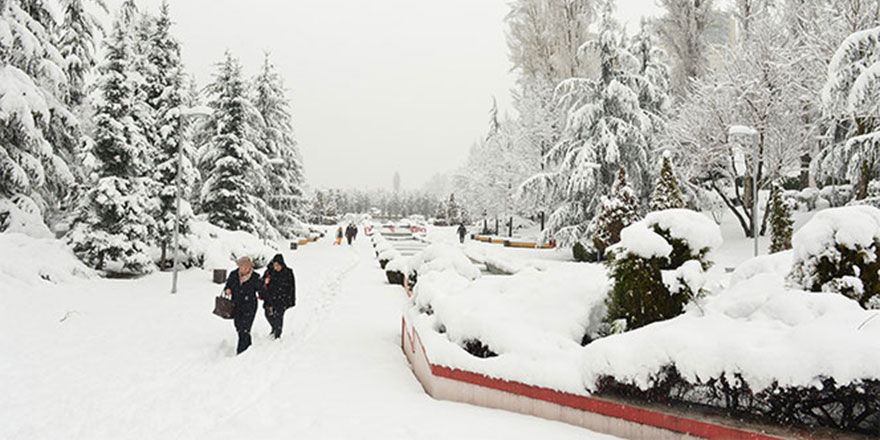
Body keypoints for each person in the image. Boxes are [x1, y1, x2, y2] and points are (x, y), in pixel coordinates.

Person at [224, 256, 262, 355]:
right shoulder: (233, 275)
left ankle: (241, 351)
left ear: (250, 267)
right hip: (236, 305)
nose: (243, 270)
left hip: (250, 306)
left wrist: (264, 296)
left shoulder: (255, 277)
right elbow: (228, 285)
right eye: (241, 267)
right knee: (238, 326)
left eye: (246, 268)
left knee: (245, 328)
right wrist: (228, 289)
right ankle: (248, 345)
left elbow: (261, 290)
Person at [261, 253, 296, 339]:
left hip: (282, 298)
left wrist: (291, 300)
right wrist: (265, 282)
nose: (276, 267)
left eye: (278, 265)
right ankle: (274, 327)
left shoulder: (288, 272)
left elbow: (292, 287)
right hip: (270, 297)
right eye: (275, 265)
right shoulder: (269, 272)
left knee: (279, 316)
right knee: (268, 314)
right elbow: (261, 283)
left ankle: (278, 334)